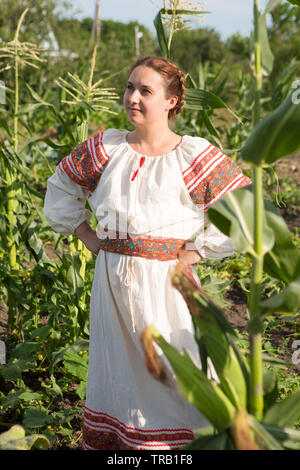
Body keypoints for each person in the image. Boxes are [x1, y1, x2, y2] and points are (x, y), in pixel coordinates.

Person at [44, 56, 251, 450]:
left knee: (179, 371)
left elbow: (245, 210)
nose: (132, 97)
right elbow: (61, 187)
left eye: (145, 90)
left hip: (167, 284)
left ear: (172, 101)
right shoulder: (106, 149)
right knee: (119, 373)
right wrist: (87, 234)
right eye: (128, 87)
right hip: (112, 280)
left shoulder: (192, 156)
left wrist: (197, 252)